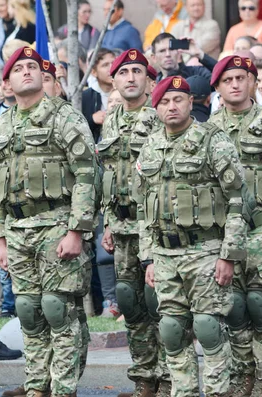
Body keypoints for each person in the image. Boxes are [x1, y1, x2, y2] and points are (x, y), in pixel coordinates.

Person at [0, 47, 97, 397]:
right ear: (6, 83)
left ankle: (62, 389)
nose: (26, 72)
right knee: (29, 313)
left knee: (57, 311)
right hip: (18, 231)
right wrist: (1, 240)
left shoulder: (65, 116)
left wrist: (76, 231)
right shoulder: (3, 123)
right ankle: (37, 387)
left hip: (57, 225)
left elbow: (86, 174)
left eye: (32, 66)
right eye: (18, 68)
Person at [137, 74, 247, 397]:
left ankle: (216, 392)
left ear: (190, 103)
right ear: (156, 108)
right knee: (171, 330)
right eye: (164, 102)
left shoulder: (213, 140)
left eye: (178, 100)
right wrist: (149, 258)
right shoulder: (151, 147)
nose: (172, 106)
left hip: (206, 250)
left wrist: (228, 254)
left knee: (209, 327)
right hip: (165, 254)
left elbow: (238, 199)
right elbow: (144, 207)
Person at [209, 55, 262, 396]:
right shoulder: (207, 129)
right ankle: (241, 376)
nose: (235, 84)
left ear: (252, 83)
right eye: (228, 79)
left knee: (261, 306)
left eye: (242, 78)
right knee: (232, 308)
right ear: (217, 87)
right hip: (224, 236)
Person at [98, 49, 169, 397]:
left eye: (137, 71)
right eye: (123, 72)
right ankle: (145, 377)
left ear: (148, 79)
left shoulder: (162, 118)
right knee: (130, 302)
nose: (130, 77)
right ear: (114, 81)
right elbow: (107, 175)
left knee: (160, 301)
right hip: (122, 228)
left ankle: (169, 377)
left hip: (154, 227)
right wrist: (108, 222)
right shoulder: (110, 120)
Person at [82, 48, 115, 143]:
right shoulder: (85, 97)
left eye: (113, 63)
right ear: (93, 72)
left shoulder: (124, 92)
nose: (111, 68)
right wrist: (91, 120)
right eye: (105, 65)